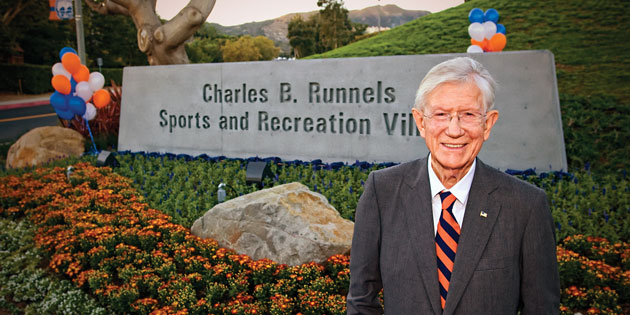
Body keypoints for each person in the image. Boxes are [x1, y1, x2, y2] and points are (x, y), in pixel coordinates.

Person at [347, 57, 559, 314]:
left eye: (468, 114)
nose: (454, 129)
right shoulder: (382, 192)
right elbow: (361, 300)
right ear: (421, 122)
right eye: (441, 114)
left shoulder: (526, 206)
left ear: (488, 124)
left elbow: (541, 309)